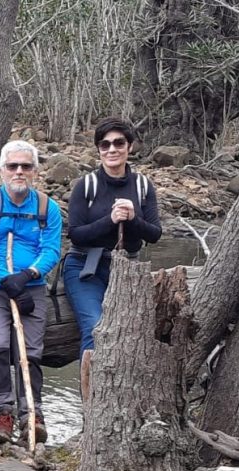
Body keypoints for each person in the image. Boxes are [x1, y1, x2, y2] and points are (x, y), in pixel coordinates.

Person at [0, 140, 63, 446]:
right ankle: (2, 413)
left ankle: (31, 414)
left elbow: (51, 250)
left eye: (26, 166)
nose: (19, 171)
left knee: (31, 351)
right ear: (1, 170)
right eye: (13, 166)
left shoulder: (48, 208)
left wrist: (28, 275)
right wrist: (7, 280)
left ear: (35, 170)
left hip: (31, 287)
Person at [64, 117, 162, 354]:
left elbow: (155, 234)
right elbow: (75, 235)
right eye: (105, 144)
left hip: (127, 268)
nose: (112, 149)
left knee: (132, 334)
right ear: (98, 150)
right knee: (96, 328)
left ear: (129, 146)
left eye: (119, 143)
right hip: (85, 268)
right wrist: (110, 220)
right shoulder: (86, 185)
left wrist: (131, 219)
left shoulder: (142, 186)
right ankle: (92, 391)